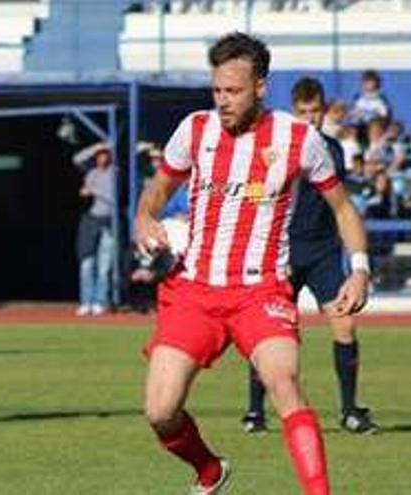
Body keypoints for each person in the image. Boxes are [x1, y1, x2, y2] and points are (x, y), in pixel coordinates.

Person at [135, 32, 369, 495]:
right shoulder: (194, 129)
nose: (223, 101)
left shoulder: (299, 139)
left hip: (260, 291)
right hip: (194, 289)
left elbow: (343, 207)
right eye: (217, 90)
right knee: (160, 411)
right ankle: (208, 469)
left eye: (234, 91)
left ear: (261, 87)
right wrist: (145, 217)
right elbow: (157, 191)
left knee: (283, 382)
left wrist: (359, 267)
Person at [242, 77, 378, 437]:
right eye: (302, 113)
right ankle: (255, 411)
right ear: (293, 111)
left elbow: (339, 206)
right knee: (267, 333)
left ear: (323, 110)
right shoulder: (274, 148)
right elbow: (254, 195)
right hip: (282, 253)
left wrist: (355, 262)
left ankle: (349, 410)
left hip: (322, 253)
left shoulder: (331, 149)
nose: (309, 119)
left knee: (345, 324)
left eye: (315, 112)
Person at [74, 142, 117, 316]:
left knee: (104, 264)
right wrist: (96, 146)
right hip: (91, 219)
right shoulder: (91, 172)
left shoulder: (115, 172)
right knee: (87, 263)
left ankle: (100, 301)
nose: (102, 157)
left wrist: (92, 190)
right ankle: (86, 301)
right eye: (99, 155)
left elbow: (112, 197)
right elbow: (77, 159)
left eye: (105, 154)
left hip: (109, 220)